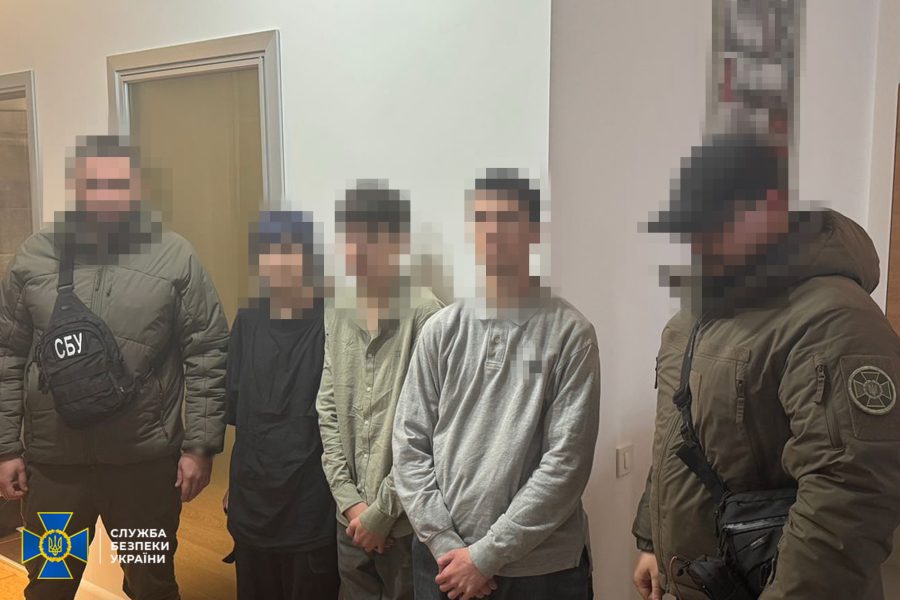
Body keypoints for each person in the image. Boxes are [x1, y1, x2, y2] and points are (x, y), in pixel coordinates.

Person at [632, 133, 900, 600]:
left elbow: (850, 495)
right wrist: (652, 539)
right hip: (702, 579)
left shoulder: (834, 317)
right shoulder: (692, 317)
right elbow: (674, 436)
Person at [0, 135, 228, 599]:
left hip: (142, 469)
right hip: (56, 470)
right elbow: (8, 354)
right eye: (95, 184)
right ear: (77, 187)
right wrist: (6, 448)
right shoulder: (35, 256)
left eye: (118, 183)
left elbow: (207, 352)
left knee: (151, 585)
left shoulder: (174, 257)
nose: (106, 196)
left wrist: (200, 446)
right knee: (50, 586)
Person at [393, 169, 600, 600]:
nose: (493, 232)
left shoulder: (570, 335)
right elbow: (409, 445)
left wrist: (485, 557)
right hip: (442, 562)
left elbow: (565, 465)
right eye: (483, 219)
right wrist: (446, 544)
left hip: (540, 572)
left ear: (534, 232)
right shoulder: (441, 330)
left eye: (507, 219)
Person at [316, 179, 443, 600]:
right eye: (350, 237)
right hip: (348, 520)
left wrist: (382, 512)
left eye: (372, 237)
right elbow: (328, 411)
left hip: (405, 526)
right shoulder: (337, 308)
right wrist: (349, 502)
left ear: (398, 242)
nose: (359, 249)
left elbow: (431, 430)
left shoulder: (427, 315)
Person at [223, 211, 340, 599]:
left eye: (289, 250)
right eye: (269, 251)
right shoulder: (248, 321)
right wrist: (235, 487)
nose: (278, 262)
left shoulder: (332, 322)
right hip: (252, 509)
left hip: (311, 511)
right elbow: (240, 414)